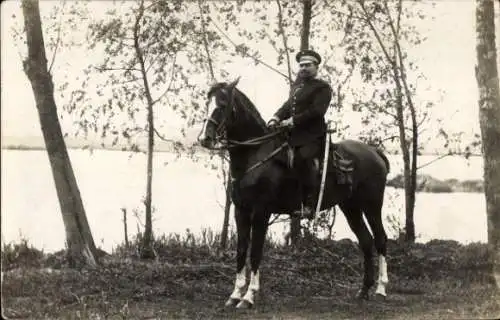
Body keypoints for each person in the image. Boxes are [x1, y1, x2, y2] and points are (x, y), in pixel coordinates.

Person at [267, 49, 333, 218]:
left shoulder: (322, 87)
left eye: (308, 65)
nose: (303, 68)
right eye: (301, 65)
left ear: (316, 67)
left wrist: (293, 121)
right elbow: (287, 106)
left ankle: (308, 204)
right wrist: (276, 117)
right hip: (293, 135)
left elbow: (317, 111)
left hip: (312, 135)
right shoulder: (297, 86)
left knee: (303, 159)